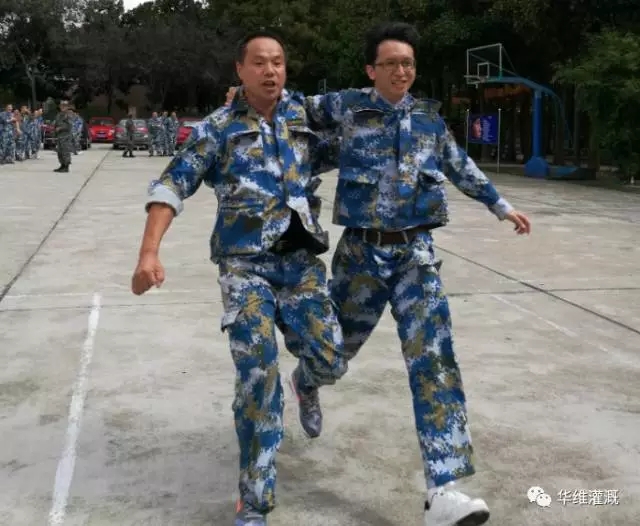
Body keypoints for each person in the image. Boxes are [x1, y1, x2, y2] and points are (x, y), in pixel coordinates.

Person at [273, 21, 530, 526]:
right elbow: (291, 107)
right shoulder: (347, 107)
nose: (401, 71)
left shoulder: (429, 119)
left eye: (407, 63)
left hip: (416, 256)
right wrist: (248, 99)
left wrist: (500, 205)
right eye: (390, 63)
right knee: (335, 353)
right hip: (361, 255)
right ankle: (306, 381)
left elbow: (458, 164)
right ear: (372, 70)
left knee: (434, 360)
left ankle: (444, 490)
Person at [130, 30, 346, 526]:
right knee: (257, 378)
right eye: (260, 62)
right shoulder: (219, 127)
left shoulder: (305, 118)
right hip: (245, 266)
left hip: (301, 265)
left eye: (278, 62)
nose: (271, 71)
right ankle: (254, 501)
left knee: (331, 360)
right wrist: (148, 253)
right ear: (240, 70)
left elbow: (355, 141)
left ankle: (306, 382)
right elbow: (172, 184)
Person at [54, 101, 73, 172]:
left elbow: (70, 126)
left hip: (66, 136)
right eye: (61, 106)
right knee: (60, 151)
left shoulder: (68, 115)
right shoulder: (59, 114)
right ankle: (62, 165)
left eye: (64, 106)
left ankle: (66, 166)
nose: (62, 107)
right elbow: (56, 124)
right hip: (59, 136)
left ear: (67, 107)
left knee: (65, 151)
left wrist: (61, 128)